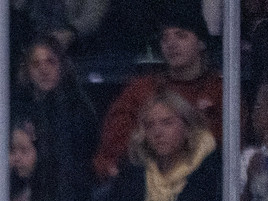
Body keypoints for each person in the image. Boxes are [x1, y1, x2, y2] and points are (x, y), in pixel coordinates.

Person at [95, 1, 223, 181]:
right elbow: (113, 144)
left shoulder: (220, 90)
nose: (171, 43)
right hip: (145, 183)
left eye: (181, 35)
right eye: (165, 38)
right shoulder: (142, 89)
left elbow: (228, 147)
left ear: (201, 42)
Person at [15, 36, 98, 201]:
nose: (43, 70)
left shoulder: (78, 108)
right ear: (27, 71)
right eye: (36, 64)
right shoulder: (16, 107)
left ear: (62, 65)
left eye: (50, 62)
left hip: (66, 199)